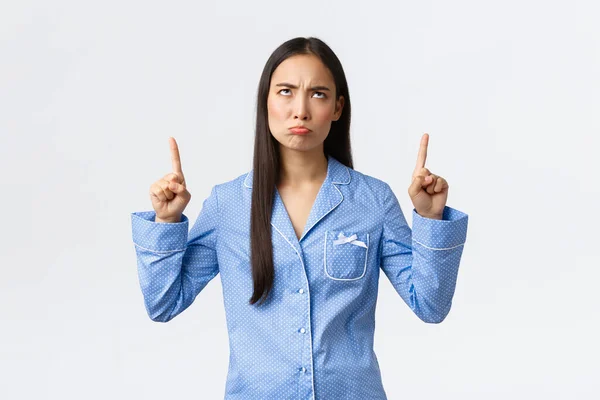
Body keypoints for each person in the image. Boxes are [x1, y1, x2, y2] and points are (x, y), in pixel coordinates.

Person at [130, 36, 468, 400]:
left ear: (338, 108)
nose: (301, 110)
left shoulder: (372, 200)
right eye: (286, 91)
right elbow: (163, 304)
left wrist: (430, 218)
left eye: (318, 94)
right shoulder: (227, 205)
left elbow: (431, 306)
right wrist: (166, 223)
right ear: (266, 102)